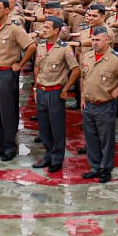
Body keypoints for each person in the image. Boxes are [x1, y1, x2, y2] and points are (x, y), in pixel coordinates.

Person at [79, 26, 118, 181]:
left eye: (98, 40)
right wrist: (82, 96)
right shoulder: (88, 56)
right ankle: (94, 166)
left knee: (106, 140)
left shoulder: (116, 59)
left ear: (107, 40)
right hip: (89, 104)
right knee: (91, 138)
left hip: (105, 105)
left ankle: (105, 168)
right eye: (93, 40)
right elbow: (83, 77)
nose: (94, 43)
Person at [0, 0, 34, 159]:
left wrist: (20, 64)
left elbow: (31, 46)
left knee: (8, 111)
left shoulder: (15, 27)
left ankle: (10, 146)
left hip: (6, 73)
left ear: (7, 10)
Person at [33, 16, 79, 173]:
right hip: (42, 90)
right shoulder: (40, 46)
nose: (43, 30)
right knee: (44, 126)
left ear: (56, 31)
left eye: (47, 27)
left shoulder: (65, 48)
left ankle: (57, 158)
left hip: (55, 92)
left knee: (56, 127)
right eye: (43, 26)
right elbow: (37, 67)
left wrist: (66, 89)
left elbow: (75, 70)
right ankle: (48, 154)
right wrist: (35, 87)